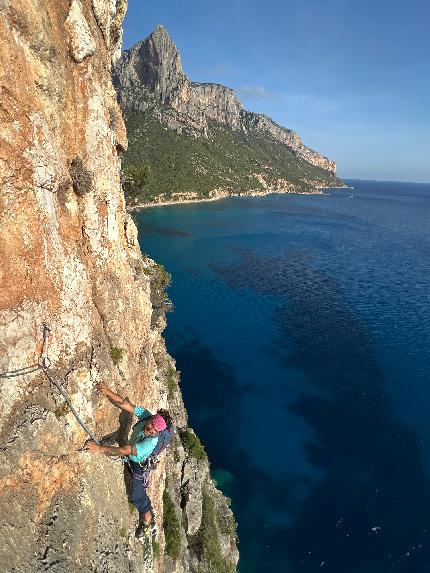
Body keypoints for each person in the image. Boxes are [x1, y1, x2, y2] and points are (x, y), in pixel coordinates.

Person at [85, 382, 170, 538]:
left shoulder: (150, 443)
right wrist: (108, 391)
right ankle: (147, 516)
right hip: (132, 454)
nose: (150, 430)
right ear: (151, 419)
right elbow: (126, 404)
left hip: (139, 465)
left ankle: (147, 519)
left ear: (158, 434)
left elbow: (125, 450)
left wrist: (99, 449)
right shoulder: (146, 415)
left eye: (154, 431)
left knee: (137, 497)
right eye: (151, 425)